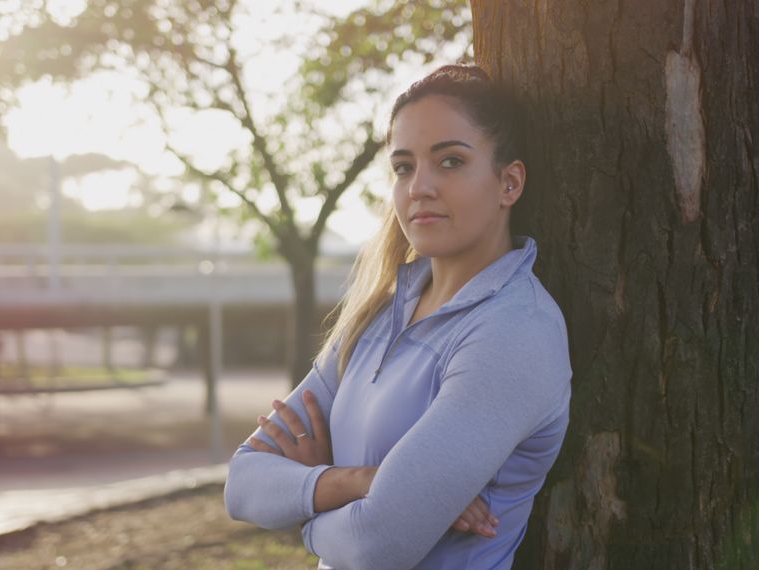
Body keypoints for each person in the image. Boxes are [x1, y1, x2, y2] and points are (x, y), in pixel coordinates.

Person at [223, 64, 572, 569]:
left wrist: (302, 505)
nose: (419, 188)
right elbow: (242, 483)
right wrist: (356, 483)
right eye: (404, 167)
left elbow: (376, 545)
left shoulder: (516, 331)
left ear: (509, 183)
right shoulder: (379, 313)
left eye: (450, 162)